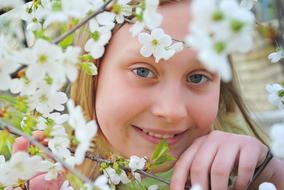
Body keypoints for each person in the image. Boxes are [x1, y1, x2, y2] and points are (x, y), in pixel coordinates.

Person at [12, 0, 284, 189]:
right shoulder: (43, 172)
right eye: (143, 71)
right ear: (93, 70)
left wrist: (272, 175)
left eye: (198, 77)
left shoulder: (245, 171)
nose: (172, 110)